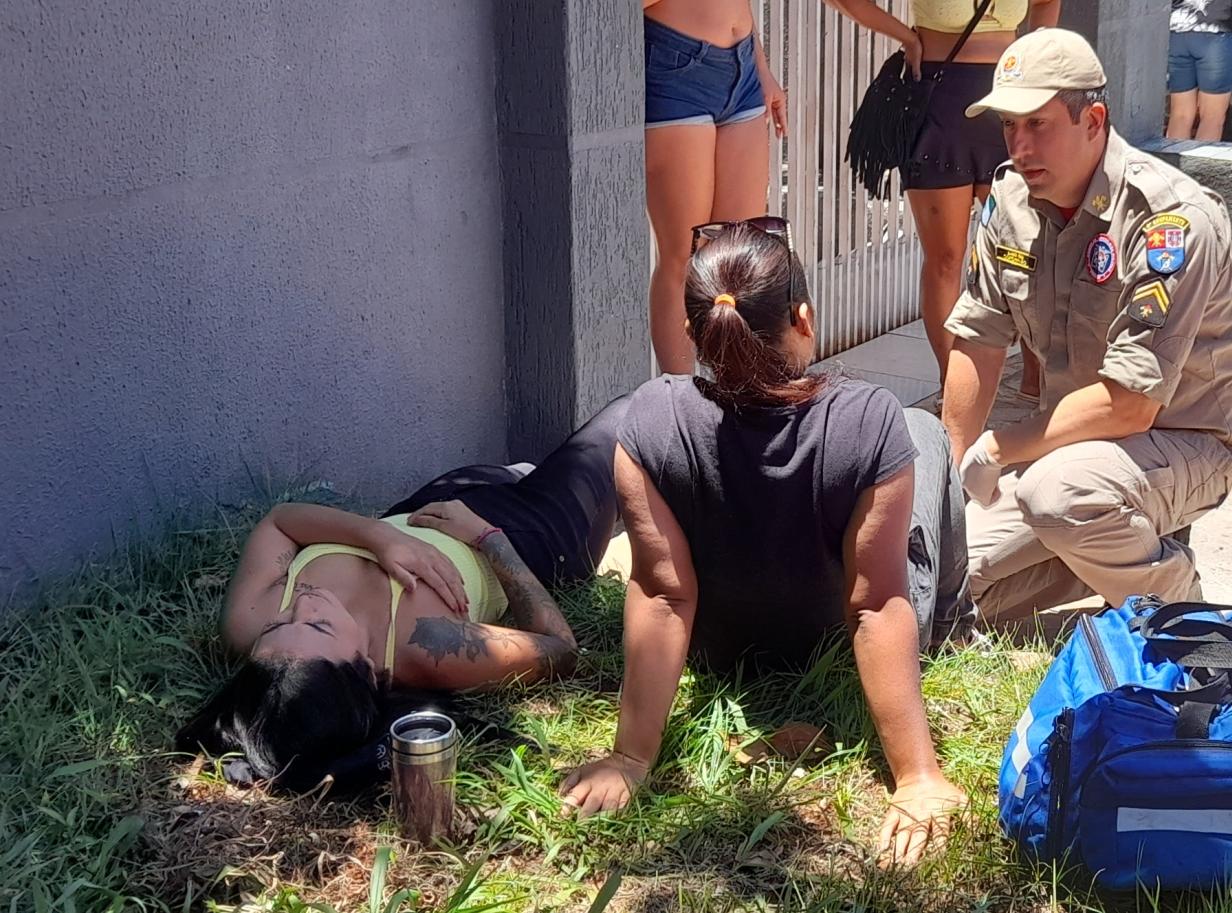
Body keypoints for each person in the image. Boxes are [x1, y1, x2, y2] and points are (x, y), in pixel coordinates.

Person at [558, 220, 972, 868]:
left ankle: (951, 622)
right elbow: (874, 604)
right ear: (802, 318)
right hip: (838, 638)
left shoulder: (649, 419)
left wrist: (631, 756)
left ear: (696, 334)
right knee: (925, 429)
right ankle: (954, 621)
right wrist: (917, 775)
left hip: (723, 651)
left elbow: (665, 594)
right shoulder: (868, 418)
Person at [941, 29, 1232, 619]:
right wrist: (949, 474)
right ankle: (1102, 554)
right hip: (1075, 447)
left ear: (1094, 119)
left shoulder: (1170, 219)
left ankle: (1183, 617)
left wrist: (997, 446)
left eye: (1038, 124)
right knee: (944, 581)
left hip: (1188, 440)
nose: (1019, 144)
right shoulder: (1007, 203)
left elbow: (1132, 405)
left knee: (1057, 494)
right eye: (1010, 126)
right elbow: (979, 338)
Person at [177, 400, 630, 789]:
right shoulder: (425, 647)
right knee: (628, 420)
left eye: (281, 624)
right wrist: (489, 538)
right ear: (365, 669)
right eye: (317, 624)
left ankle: (528, 479)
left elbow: (280, 521)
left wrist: (378, 536)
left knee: (515, 469)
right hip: (530, 534)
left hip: (431, 503)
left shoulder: (248, 622)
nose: (301, 603)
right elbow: (561, 650)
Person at [827, 0, 1059, 398]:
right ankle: (953, 384)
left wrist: (1036, 55)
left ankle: (1036, 374)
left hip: (1011, 103)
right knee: (947, 258)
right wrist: (905, 37)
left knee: (1024, 248)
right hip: (939, 98)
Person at [644, 0, 788, 375]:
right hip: (676, 65)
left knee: (737, 253)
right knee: (684, 255)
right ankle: (677, 403)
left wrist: (762, 68)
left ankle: (735, 398)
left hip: (742, 69)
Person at [1165, 0, 1232, 142]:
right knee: (1212, 117)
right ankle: (1197, 164)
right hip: (1217, 31)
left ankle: (1173, 161)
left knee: (1180, 114)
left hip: (1178, 32)